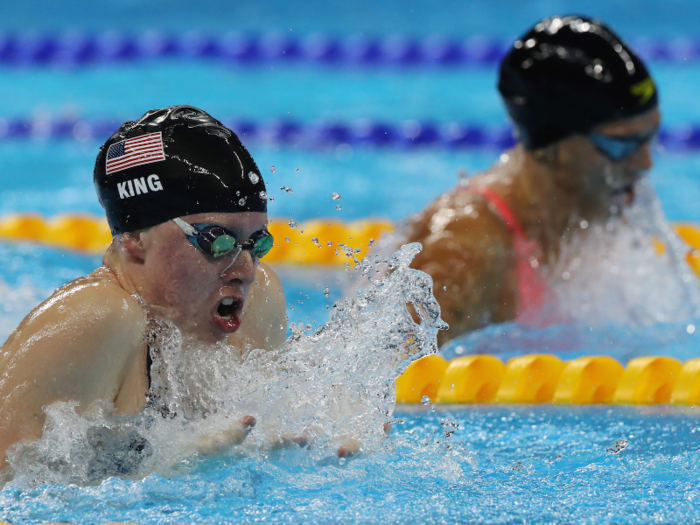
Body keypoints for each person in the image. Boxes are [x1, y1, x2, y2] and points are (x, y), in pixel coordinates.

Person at [0, 105, 288, 469]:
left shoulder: (259, 303)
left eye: (257, 243)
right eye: (218, 241)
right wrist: (162, 470)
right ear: (135, 237)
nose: (245, 270)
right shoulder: (95, 320)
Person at [404, 16, 660, 344]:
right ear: (549, 149)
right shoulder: (467, 248)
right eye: (621, 144)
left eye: (650, 137)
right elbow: (404, 386)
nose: (645, 162)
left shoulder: (589, 210)